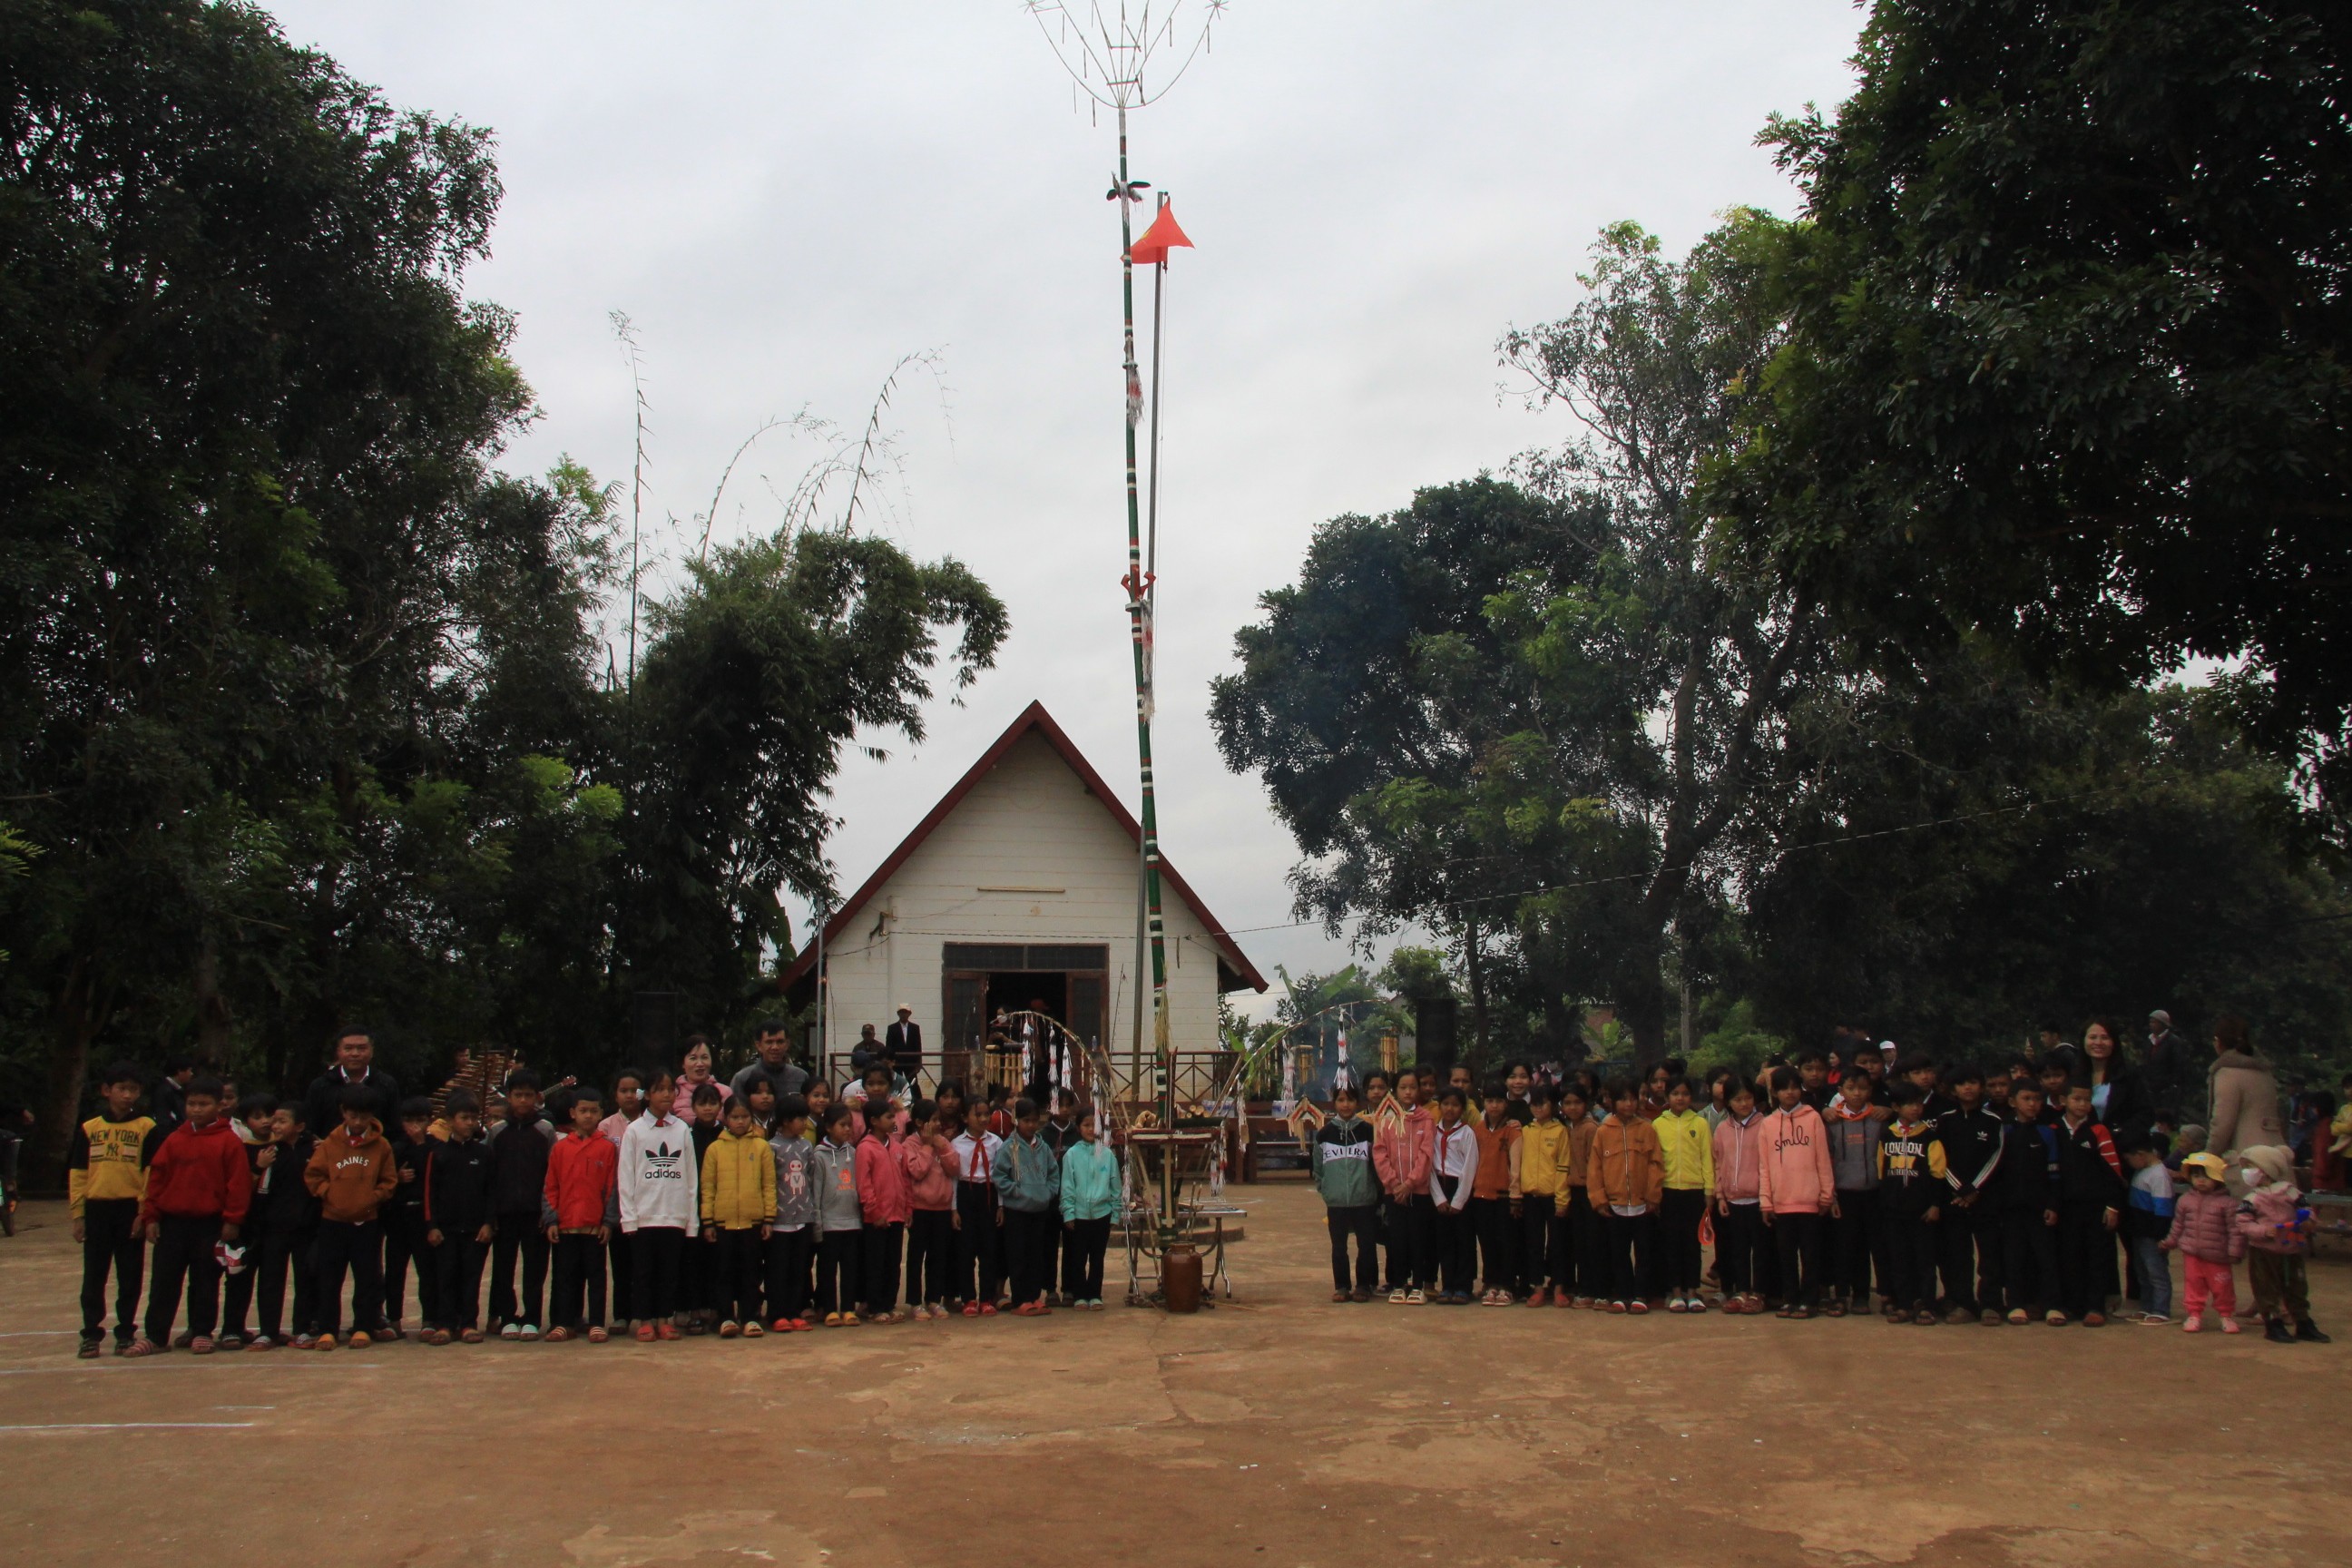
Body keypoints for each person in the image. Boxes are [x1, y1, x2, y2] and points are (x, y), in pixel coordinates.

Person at [128, 1073, 250, 1357]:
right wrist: (151, 1216)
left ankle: (202, 1331)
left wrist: (233, 1219)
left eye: (204, 1104)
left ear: (219, 1106)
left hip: (210, 1223)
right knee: (163, 1281)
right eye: (192, 1104)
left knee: (206, 1280)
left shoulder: (229, 1142)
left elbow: (238, 1184)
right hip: (172, 1222)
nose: (196, 1109)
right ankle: (156, 1337)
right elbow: (156, 1178)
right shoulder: (174, 1139)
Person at [69, 1062, 155, 1358]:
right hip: (97, 1208)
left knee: (130, 1274)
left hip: (129, 1207)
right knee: (94, 1274)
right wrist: (78, 1214)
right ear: (107, 1091)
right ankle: (91, 1333)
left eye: (133, 1090)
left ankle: (126, 1331)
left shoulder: (146, 1127)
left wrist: (143, 1211)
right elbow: (79, 1173)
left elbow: (149, 1171)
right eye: (122, 1089)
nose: (128, 1095)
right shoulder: (90, 1128)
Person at [302, 1083, 397, 1351]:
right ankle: (327, 1329)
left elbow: (389, 1181)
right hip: (332, 1221)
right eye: (352, 1116)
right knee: (329, 1277)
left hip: (367, 1222)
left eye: (364, 1116)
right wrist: (328, 1193)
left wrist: (372, 1198)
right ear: (343, 1113)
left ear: (372, 1115)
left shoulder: (382, 1146)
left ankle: (364, 1327)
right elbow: (313, 1175)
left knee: (367, 1277)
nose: (357, 1122)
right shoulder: (329, 1144)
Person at [618, 1073, 699, 1341]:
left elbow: (690, 1178)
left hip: (674, 1216)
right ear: (647, 1095)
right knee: (643, 1273)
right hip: (644, 1216)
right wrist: (628, 1218)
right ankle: (644, 1320)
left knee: (669, 1272)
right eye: (659, 1089)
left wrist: (690, 1220)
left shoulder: (682, 1130)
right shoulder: (635, 1130)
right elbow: (626, 1177)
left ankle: (664, 1318)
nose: (666, 1094)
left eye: (670, 1089)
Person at [542, 1085, 619, 1343]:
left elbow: (612, 1187)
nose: (588, 1116)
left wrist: (608, 1222)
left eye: (593, 1111)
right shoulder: (561, 1148)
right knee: (564, 1277)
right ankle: (563, 1322)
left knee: (596, 1277)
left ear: (600, 1114)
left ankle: (597, 1322)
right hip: (565, 1225)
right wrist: (551, 1218)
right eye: (583, 1110)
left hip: (594, 1227)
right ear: (573, 1113)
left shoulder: (607, 1148)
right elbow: (550, 1186)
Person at [485, 1070, 557, 1341]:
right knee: (503, 1268)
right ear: (509, 1098)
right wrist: (491, 1214)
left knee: (535, 1269)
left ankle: (532, 1318)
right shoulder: (497, 1132)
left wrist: (547, 1212)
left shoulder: (545, 1130)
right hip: (504, 1213)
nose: (523, 1101)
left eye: (529, 1095)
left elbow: (553, 1174)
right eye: (518, 1095)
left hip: (535, 1213)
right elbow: (489, 1177)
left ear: (538, 1098)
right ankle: (507, 1317)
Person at [1759, 1067, 1834, 1319]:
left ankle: (1809, 1301)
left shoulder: (1813, 1119)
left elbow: (1823, 1159)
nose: (1790, 1092)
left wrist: (1826, 1195)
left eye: (1794, 1087)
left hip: (1810, 1200)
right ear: (1775, 1092)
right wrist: (1766, 1202)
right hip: (1781, 1202)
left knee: (1811, 1256)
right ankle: (1790, 1299)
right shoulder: (1767, 1124)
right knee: (1786, 1257)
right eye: (1784, 1088)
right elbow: (1764, 1166)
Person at [1934, 1063, 2006, 1325]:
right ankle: (1964, 1303)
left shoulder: (1993, 1121)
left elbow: (1995, 1157)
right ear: (1953, 1089)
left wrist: (1975, 1189)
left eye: (1973, 1082)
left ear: (1981, 1087)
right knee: (1958, 1254)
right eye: (1962, 1083)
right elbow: (1940, 1158)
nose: (1968, 1088)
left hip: (1985, 1199)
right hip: (1954, 1200)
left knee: (1989, 1253)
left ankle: (1991, 1304)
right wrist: (1960, 1189)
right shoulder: (1945, 1120)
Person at [246, 1099, 320, 1349]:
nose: (273, 1125)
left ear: (299, 1126)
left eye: (281, 1121)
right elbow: (255, 1191)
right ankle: (268, 1331)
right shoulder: (268, 1153)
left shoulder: (315, 1150)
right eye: (272, 1120)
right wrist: (259, 1166)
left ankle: (302, 1329)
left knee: (306, 1278)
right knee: (270, 1279)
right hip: (274, 1229)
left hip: (306, 1228)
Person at [422, 1088, 495, 1345]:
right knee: (445, 1277)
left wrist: (488, 1223)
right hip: (446, 1230)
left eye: (474, 1118)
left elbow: (490, 1191)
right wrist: (432, 1226)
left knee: (471, 1278)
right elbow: (429, 1193)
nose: (469, 1123)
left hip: (475, 1230)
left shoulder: (484, 1154)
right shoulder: (439, 1154)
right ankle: (444, 1324)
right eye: (464, 1118)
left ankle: (468, 1324)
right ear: (450, 1120)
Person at [2235, 1144, 2328, 1344]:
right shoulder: (2250, 1199)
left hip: (2291, 1247)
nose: (2247, 1172)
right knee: (2266, 1288)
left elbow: (2306, 1210)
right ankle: (2273, 1324)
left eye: (2251, 1166)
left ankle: (2303, 1322)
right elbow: (2243, 1223)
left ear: (2266, 1169)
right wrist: (2262, 1231)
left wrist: (2308, 1221)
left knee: (2297, 1286)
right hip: (2263, 1250)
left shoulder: (2291, 1192)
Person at [699, 1097, 776, 1338]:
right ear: (725, 1119)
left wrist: (768, 1218)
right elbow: (708, 1188)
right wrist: (708, 1221)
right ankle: (725, 1317)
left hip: (753, 1222)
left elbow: (769, 1185)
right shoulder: (715, 1149)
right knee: (723, 1272)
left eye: (744, 1117)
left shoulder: (762, 1147)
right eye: (735, 1117)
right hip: (723, 1222)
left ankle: (750, 1317)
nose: (740, 1121)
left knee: (751, 1272)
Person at [2052, 1083, 2125, 1327]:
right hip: (2065, 1207)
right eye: (2076, 1099)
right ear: (2064, 1100)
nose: (2082, 1104)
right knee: (2069, 1256)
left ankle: (2095, 1307)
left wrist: (2113, 1205)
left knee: (2097, 1256)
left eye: (2086, 1100)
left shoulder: (2098, 1131)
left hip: (2096, 1206)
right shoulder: (2053, 1129)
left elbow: (2114, 1171)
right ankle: (2073, 1305)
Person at [1991, 1082, 2063, 1324]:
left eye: (2036, 1099)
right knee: (2013, 1257)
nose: (2032, 1104)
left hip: (2040, 1209)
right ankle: (2015, 1304)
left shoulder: (2047, 1132)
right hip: (2011, 1209)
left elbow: (2055, 1174)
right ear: (2013, 1102)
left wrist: (2052, 1205)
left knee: (2046, 1258)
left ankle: (2052, 1305)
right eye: (2026, 1098)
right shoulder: (2004, 1131)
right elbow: (1996, 1171)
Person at [1587, 1080, 1660, 1315]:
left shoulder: (1647, 1129)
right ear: (1612, 1102)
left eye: (1632, 1098)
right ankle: (1623, 1293)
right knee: (1618, 1253)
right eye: (1622, 1099)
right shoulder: (1603, 1132)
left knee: (1644, 1251)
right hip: (1615, 1205)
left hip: (1642, 1204)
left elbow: (1655, 1164)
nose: (1628, 1104)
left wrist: (1653, 1195)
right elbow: (1595, 1168)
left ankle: (1640, 1294)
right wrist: (1598, 1199)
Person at [1876, 1083, 1947, 1323]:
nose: (1916, 1108)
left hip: (1922, 1210)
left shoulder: (1929, 1135)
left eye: (1919, 1103)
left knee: (1925, 1259)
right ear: (1896, 1107)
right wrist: (1885, 1203)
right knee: (1899, 1258)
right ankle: (1904, 1303)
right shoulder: (1887, 1134)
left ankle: (1926, 1304)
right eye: (1909, 1104)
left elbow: (1938, 1172)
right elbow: (1881, 1171)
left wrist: (1935, 1204)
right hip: (1894, 1210)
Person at [217, 1094, 279, 1348]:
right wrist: (258, 1167)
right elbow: (237, 1187)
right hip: (246, 1223)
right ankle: (232, 1329)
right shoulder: (240, 1148)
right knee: (238, 1276)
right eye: (257, 1117)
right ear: (245, 1122)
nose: (265, 1122)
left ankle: (269, 1331)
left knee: (271, 1279)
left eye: (270, 1116)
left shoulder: (284, 1145)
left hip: (274, 1223)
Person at [1823, 1069, 1885, 1317]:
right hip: (1843, 1192)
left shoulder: (1879, 1118)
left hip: (1872, 1192)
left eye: (1862, 1088)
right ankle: (1840, 1295)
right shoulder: (1832, 1121)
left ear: (1870, 1091)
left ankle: (1861, 1295)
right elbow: (1826, 1158)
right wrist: (1832, 1195)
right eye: (1851, 1088)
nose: (1857, 1093)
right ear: (1841, 1092)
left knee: (1865, 1246)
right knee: (1842, 1246)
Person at [1312, 1083, 1379, 1302]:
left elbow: (1376, 1166)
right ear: (1334, 1103)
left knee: (1366, 1245)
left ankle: (1363, 1285)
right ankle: (1341, 1286)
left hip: (1364, 1199)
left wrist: (1374, 1191)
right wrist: (1327, 1191)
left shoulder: (1368, 1132)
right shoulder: (1324, 1135)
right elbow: (1318, 1169)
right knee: (1338, 1246)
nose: (1346, 1104)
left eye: (1350, 1100)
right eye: (1341, 1100)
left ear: (1357, 1102)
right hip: (1337, 1202)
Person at [2163, 1152, 2245, 1335]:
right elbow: (2178, 1225)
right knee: (2193, 1285)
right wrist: (2170, 1242)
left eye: (2206, 1176)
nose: (2200, 1180)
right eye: (2196, 1176)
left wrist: (2235, 1252)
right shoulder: (2185, 1200)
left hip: (2218, 1255)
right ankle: (2194, 1315)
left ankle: (2226, 1315)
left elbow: (2235, 1230)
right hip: (2192, 1253)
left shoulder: (2228, 1203)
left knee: (2222, 1287)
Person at [994, 1098, 1062, 1316]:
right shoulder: (1008, 1147)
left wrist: (1048, 1192)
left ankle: (1034, 1296)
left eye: (1034, 1121)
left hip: (1039, 1209)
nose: (1031, 1125)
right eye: (1026, 1120)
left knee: (1036, 1255)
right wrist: (1017, 1192)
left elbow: (1053, 1172)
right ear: (1016, 1121)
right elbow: (999, 1176)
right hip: (1017, 1211)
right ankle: (1020, 1299)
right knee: (1018, 1256)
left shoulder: (1043, 1147)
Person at [1373, 1068, 1435, 1304]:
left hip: (1418, 1191)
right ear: (1394, 1090)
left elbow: (1426, 1153)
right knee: (1397, 1238)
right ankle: (1399, 1283)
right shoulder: (1385, 1119)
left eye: (1412, 1087)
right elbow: (1380, 1153)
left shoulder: (1426, 1119)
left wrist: (1410, 1183)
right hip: (1394, 1192)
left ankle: (1418, 1285)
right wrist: (1394, 1183)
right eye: (1403, 1087)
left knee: (1418, 1238)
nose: (1408, 1092)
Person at [1653, 1076, 1714, 1313]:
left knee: (1692, 1243)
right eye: (1675, 1093)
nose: (1680, 1098)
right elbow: (1655, 1161)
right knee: (1672, 1243)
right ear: (1667, 1097)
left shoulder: (1699, 1124)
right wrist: (1655, 1191)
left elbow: (1707, 1159)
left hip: (1694, 1191)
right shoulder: (1658, 1124)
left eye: (1685, 1094)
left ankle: (1692, 1292)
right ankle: (1676, 1292)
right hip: (1668, 1191)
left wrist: (1709, 1191)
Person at [380, 1097, 437, 1341]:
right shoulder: (394, 1148)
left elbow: (439, 1176)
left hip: (425, 1218)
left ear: (429, 1121)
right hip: (398, 1217)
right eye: (409, 1121)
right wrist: (397, 1177)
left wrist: (420, 1143)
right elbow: (381, 1179)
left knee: (428, 1270)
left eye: (420, 1121)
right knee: (395, 1271)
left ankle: (429, 1319)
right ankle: (393, 1319)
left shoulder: (436, 1146)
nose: (414, 1126)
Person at [1711, 1079, 1768, 1314]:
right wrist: (1720, 1196)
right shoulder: (1722, 1129)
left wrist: (1767, 1197)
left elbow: (1768, 1164)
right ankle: (1742, 1291)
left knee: (1761, 1250)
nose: (1743, 1103)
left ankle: (1760, 1293)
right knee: (1739, 1250)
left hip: (1758, 1199)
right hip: (1733, 1200)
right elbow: (1718, 1163)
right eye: (1737, 1099)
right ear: (1728, 1103)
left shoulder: (1765, 1125)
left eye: (1747, 1098)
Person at [300, 1026, 401, 1157]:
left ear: (372, 1051)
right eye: (348, 1048)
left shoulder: (386, 1084)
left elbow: (396, 1129)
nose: (355, 1053)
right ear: (338, 1052)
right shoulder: (321, 1086)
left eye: (361, 1048)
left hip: (374, 1160)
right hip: (330, 1159)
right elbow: (309, 1127)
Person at [598, 1068, 647, 1329]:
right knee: (620, 1263)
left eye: (635, 1090)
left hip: (646, 1202)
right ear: (615, 1095)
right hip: (617, 1205)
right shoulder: (605, 1126)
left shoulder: (653, 1122)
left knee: (643, 1264)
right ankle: (621, 1315)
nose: (630, 1095)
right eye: (623, 1090)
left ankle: (643, 1313)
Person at [899, 1099, 956, 1320]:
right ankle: (914, 1301)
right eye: (933, 1120)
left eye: (938, 1120)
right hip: (920, 1208)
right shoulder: (909, 1145)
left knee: (938, 1256)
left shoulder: (942, 1141)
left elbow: (954, 1168)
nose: (937, 1124)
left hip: (942, 1207)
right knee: (916, 1256)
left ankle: (934, 1298)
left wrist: (941, 1146)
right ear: (919, 1122)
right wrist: (926, 1145)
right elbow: (917, 1171)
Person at [855, 1092, 910, 1324]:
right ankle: (874, 1305)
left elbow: (905, 1180)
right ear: (874, 1121)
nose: (894, 1121)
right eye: (889, 1117)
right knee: (875, 1263)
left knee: (893, 1262)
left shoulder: (897, 1147)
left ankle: (888, 1302)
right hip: (876, 1218)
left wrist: (908, 1209)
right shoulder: (865, 1148)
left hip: (897, 1215)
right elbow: (864, 1184)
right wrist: (874, 1212)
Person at [1058, 1109, 1120, 1309]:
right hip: (1079, 1214)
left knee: (1097, 1257)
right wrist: (1068, 1211)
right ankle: (1079, 1295)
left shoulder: (1108, 1155)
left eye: (1094, 1125)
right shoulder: (1071, 1155)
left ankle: (1095, 1294)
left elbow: (1115, 1186)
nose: (1090, 1129)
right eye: (1086, 1125)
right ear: (1078, 1128)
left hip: (1102, 1215)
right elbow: (1067, 1185)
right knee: (1078, 1258)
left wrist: (1115, 1212)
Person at [1516, 1084, 1571, 1305]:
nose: (1538, 1108)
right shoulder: (1525, 1131)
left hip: (1554, 1196)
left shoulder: (1560, 1132)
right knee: (1534, 1243)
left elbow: (1563, 1166)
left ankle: (1558, 1288)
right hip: (1531, 1196)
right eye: (1534, 1103)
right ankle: (1537, 1287)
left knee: (1557, 1244)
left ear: (1554, 1105)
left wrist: (1562, 1198)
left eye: (1543, 1103)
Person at [1426, 1087, 1480, 1306]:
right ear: (1439, 1107)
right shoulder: (1433, 1133)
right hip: (1439, 1186)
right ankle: (1447, 1285)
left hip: (1461, 1188)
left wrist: (1459, 1200)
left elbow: (1470, 1167)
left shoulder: (1467, 1133)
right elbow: (1428, 1165)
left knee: (1464, 1240)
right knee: (1444, 1241)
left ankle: (1463, 1286)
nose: (1450, 1108)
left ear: (1462, 1109)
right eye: (1446, 1104)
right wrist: (1438, 1198)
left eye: (1455, 1105)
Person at [768, 1094, 817, 1331]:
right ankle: (777, 1314)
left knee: (799, 1268)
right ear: (785, 1120)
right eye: (799, 1118)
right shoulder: (771, 1147)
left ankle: (795, 1311)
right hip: (780, 1220)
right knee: (778, 1269)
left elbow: (810, 1177)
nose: (804, 1123)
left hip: (803, 1217)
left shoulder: (807, 1146)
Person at [2205, 1015, 2285, 1161]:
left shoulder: (2227, 1074)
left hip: (2247, 1157)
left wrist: (2208, 1157)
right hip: (2276, 1152)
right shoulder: (2265, 1072)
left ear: (2218, 1042)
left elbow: (2222, 1124)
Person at [1467, 1083, 1520, 1306]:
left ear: (1505, 1103)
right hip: (1480, 1195)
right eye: (1490, 1101)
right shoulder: (1477, 1130)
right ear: (1483, 1103)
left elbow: (1516, 1167)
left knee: (1506, 1242)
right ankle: (1490, 1283)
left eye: (1499, 1101)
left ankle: (1507, 1285)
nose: (1494, 1106)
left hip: (1504, 1196)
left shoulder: (1513, 1131)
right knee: (1487, 1242)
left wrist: (1516, 1195)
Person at [950, 1098, 1004, 1316]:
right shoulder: (956, 1144)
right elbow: (953, 1178)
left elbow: (1000, 1177)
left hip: (989, 1194)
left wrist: (1001, 1206)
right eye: (977, 1114)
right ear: (965, 1118)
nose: (983, 1119)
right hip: (965, 1193)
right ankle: (969, 1298)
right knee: (966, 1249)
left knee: (989, 1249)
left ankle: (987, 1298)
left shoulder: (996, 1143)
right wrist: (953, 1209)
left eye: (986, 1114)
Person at [813, 1102, 863, 1327]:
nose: (847, 1129)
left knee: (850, 1268)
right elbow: (816, 1191)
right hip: (829, 1223)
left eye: (849, 1125)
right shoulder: (819, 1156)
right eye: (842, 1125)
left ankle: (848, 1308)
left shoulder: (853, 1153)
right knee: (827, 1270)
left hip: (852, 1221)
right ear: (828, 1127)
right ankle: (830, 1309)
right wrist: (818, 1223)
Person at [2118, 1132, 2176, 1325]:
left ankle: (2161, 1309)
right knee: (2142, 1272)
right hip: (2139, 1231)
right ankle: (2147, 1307)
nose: (2129, 1163)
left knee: (2156, 1272)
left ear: (2140, 1154)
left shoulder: (2159, 1175)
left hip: (2152, 1233)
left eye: (2129, 1159)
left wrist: (2160, 1236)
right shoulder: (2141, 1171)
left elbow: (2163, 1209)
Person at [683, 1083, 727, 1334]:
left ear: (720, 1107)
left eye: (713, 1103)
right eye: (703, 1103)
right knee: (694, 1261)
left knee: (719, 1262)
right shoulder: (687, 1135)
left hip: (722, 1207)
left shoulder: (727, 1135)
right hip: (695, 1206)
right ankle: (695, 1311)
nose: (708, 1108)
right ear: (693, 1107)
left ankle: (718, 1310)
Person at [1035, 1087, 1083, 1303]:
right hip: (1049, 1200)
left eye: (1067, 1105)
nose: (1063, 1110)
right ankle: (1050, 1288)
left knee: (1073, 1244)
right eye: (1059, 1105)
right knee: (1048, 1244)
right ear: (1050, 1107)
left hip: (1072, 1198)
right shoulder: (1042, 1135)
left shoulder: (1078, 1134)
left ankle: (1070, 1288)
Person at [1559, 1084, 1602, 1307]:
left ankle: (1593, 1288)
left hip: (1589, 1190)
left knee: (1592, 1241)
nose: (1572, 1107)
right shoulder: (1568, 1128)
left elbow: (1595, 1165)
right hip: (1572, 1191)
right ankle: (1581, 1286)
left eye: (1577, 1102)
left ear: (1585, 1104)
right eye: (1567, 1103)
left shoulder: (1590, 1128)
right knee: (1578, 1242)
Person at [2080, 1019, 2152, 1142]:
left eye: (2104, 1038)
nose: (2098, 1042)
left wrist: (2118, 1133)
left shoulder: (2128, 1076)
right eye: (2092, 1037)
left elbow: (2145, 1114)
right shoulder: (2074, 1075)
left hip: (2117, 1146)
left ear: (2114, 1043)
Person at [730, 1017, 809, 1103]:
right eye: (769, 1042)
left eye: (780, 1042)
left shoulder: (801, 1077)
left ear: (787, 1044)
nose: (775, 1047)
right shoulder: (743, 1078)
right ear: (759, 1045)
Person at [2141, 1010, 2199, 1124]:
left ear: (2163, 1025)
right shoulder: (2149, 1041)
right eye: (2150, 1022)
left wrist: (2172, 1085)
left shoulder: (2174, 1042)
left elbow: (2178, 1066)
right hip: (2151, 1088)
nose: (2151, 1025)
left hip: (2166, 1090)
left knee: (2165, 1120)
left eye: (2154, 1022)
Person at [671, 1035, 730, 1118]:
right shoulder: (673, 1092)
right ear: (683, 1063)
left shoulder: (725, 1092)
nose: (700, 1064)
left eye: (705, 1057)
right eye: (693, 1058)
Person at [886, 1005, 922, 1080]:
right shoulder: (892, 1028)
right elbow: (889, 1045)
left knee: (913, 1084)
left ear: (909, 1014)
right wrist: (889, 1061)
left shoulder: (915, 1027)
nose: (903, 1014)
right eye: (901, 1012)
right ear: (898, 1014)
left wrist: (919, 1062)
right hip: (896, 1062)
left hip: (911, 1061)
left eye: (906, 1012)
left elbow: (918, 1045)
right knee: (896, 1082)